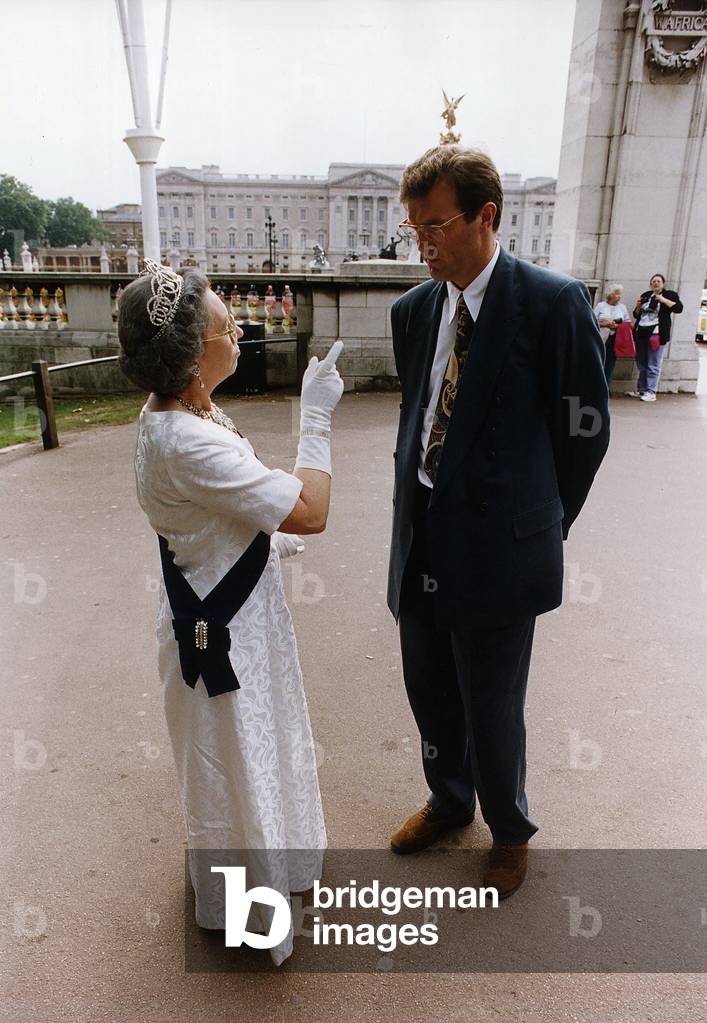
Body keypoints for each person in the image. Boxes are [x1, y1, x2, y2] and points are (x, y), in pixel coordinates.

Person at [387, 145, 610, 898]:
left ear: (485, 216)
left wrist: (542, 521)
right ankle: (449, 800)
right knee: (429, 688)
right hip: (420, 533)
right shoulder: (413, 311)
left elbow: (583, 430)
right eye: (414, 227)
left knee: (491, 702)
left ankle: (509, 829)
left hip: (499, 545)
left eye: (435, 225)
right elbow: (419, 418)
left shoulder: (550, 303)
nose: (423, 242)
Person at [117, 260, 344, 966]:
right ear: (191, 355)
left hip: (229, 611)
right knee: (235, 759)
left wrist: (263, 540)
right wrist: (315, 420)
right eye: (224, 325)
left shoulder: (178, 414)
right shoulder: (188, 439)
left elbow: (213, 518)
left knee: (246, 751)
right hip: (222, 630)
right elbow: (311, 510)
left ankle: (255, 877)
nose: (238, 328)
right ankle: (246, 909)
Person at [627, 273, 683, 402]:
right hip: (641, 332)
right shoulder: (646, 295)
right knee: (641, 363)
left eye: (658, 281)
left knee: (653, 364)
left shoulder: (669, 295)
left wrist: (662, 300)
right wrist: (638, 306)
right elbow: (636, 315)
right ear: (650, 284)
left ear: (663, 284)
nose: (656, 283)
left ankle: (651, 391)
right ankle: (642, 389)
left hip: (656, 334)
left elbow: (678, 308)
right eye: (653, 281)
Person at [593, 284, 630, 385]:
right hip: (601, 338)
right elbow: (592, 321)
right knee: (598, 362)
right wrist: (605, 324)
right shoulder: (601, 306)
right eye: (617, 294)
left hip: (615, 339)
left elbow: (628, 323)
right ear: (610, 295)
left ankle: (606, 386)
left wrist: (618, 326)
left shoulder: (622, 307)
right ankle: (595, 385)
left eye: (620, 294)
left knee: (610, 363)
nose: (619, 296)